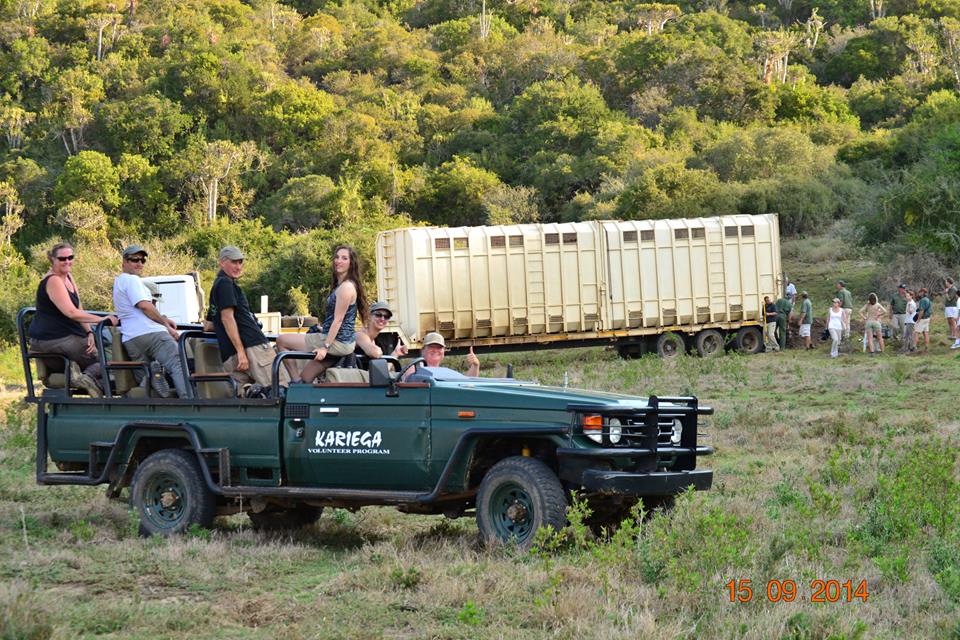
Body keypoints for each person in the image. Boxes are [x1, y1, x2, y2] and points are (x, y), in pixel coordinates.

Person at [28, 242, 118, 397]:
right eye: (62, 259)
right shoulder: (53, 280)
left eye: (70, 257)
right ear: (52, 259)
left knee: (104, 349)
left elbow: (79, 309)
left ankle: (85, 379)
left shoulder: (68, 276)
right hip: (54, 340)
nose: (67, 262)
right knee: (110, 359)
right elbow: (71, 313)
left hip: (68, 337)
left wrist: (90, 332)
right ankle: (84, 377)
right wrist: (103, 320)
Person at [277, 245, 367, 383]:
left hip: (336, 343)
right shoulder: (343, 285)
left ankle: (294, 381)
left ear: (351, 263)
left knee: (282, 341)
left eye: (344, 258)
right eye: (337, 257)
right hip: (342, 343)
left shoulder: (346, 288)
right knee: (306, 378)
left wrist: (325, 347)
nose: (339, 261)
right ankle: (302, 388)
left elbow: (338, 320)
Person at [112, 246, 188, 398]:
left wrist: (163, 319)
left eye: (142, 260)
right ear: (124, 262)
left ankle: (151, 381)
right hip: (151, 333)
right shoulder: (132, 280)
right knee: (177, 363)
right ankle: (189, 401)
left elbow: (138, 310)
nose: (139, 263)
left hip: (131, 339)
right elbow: (144, 306)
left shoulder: (118, 282)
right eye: (135, 260)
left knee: (145, 373)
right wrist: (167, 326)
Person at [207, 246, 275, 390]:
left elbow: (209, 325)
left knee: (247, 396)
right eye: (234, 262)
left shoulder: (216, 287)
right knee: (279, 388)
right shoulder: (225, 284)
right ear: (222, 262)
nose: (238, 267)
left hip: (230, 354)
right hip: (251, 346)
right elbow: (227, 318)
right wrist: (241, 352)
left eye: (240, 262)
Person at [406, 332, 480, 379]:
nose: (435, 350)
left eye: (439, 347)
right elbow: (408, 384)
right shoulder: (415, 368)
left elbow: (466, 383)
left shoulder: (445, 373)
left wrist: (475, 365)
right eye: (431, 347)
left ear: (443, 352)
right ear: (422, 350)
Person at [914, 287, 932, 351]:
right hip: (927, 318)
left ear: (922, 292)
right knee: (925, 333)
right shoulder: (928, 299)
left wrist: (918, 319)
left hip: (922, 318)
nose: (919, 293)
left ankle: (914, 347)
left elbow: (921, 311)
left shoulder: (923, 300)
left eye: (920, 292)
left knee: (916, 332)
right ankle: (927, 347)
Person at [944, 278, 960, 348]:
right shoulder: (948, 289)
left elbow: (949, 298)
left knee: (953, 321)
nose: (945, 283)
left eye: (946, 282)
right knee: (949, 321)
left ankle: (955, 335)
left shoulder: (953, 289)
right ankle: (952, 334)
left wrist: (946, 293)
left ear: (949, 282)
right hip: (948, 307)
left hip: (952, 307)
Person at [901, 290, 917, 354]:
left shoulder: (912, 303)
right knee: (905, 336)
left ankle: (912, 348)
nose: (906, 297)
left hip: (911, 321)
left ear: (911, 296)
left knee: (911, 336)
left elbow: (910, 312)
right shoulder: (908, 303)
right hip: (907, 321)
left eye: (908, 296)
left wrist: (908, 307)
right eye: (906, 296)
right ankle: (905, 348)